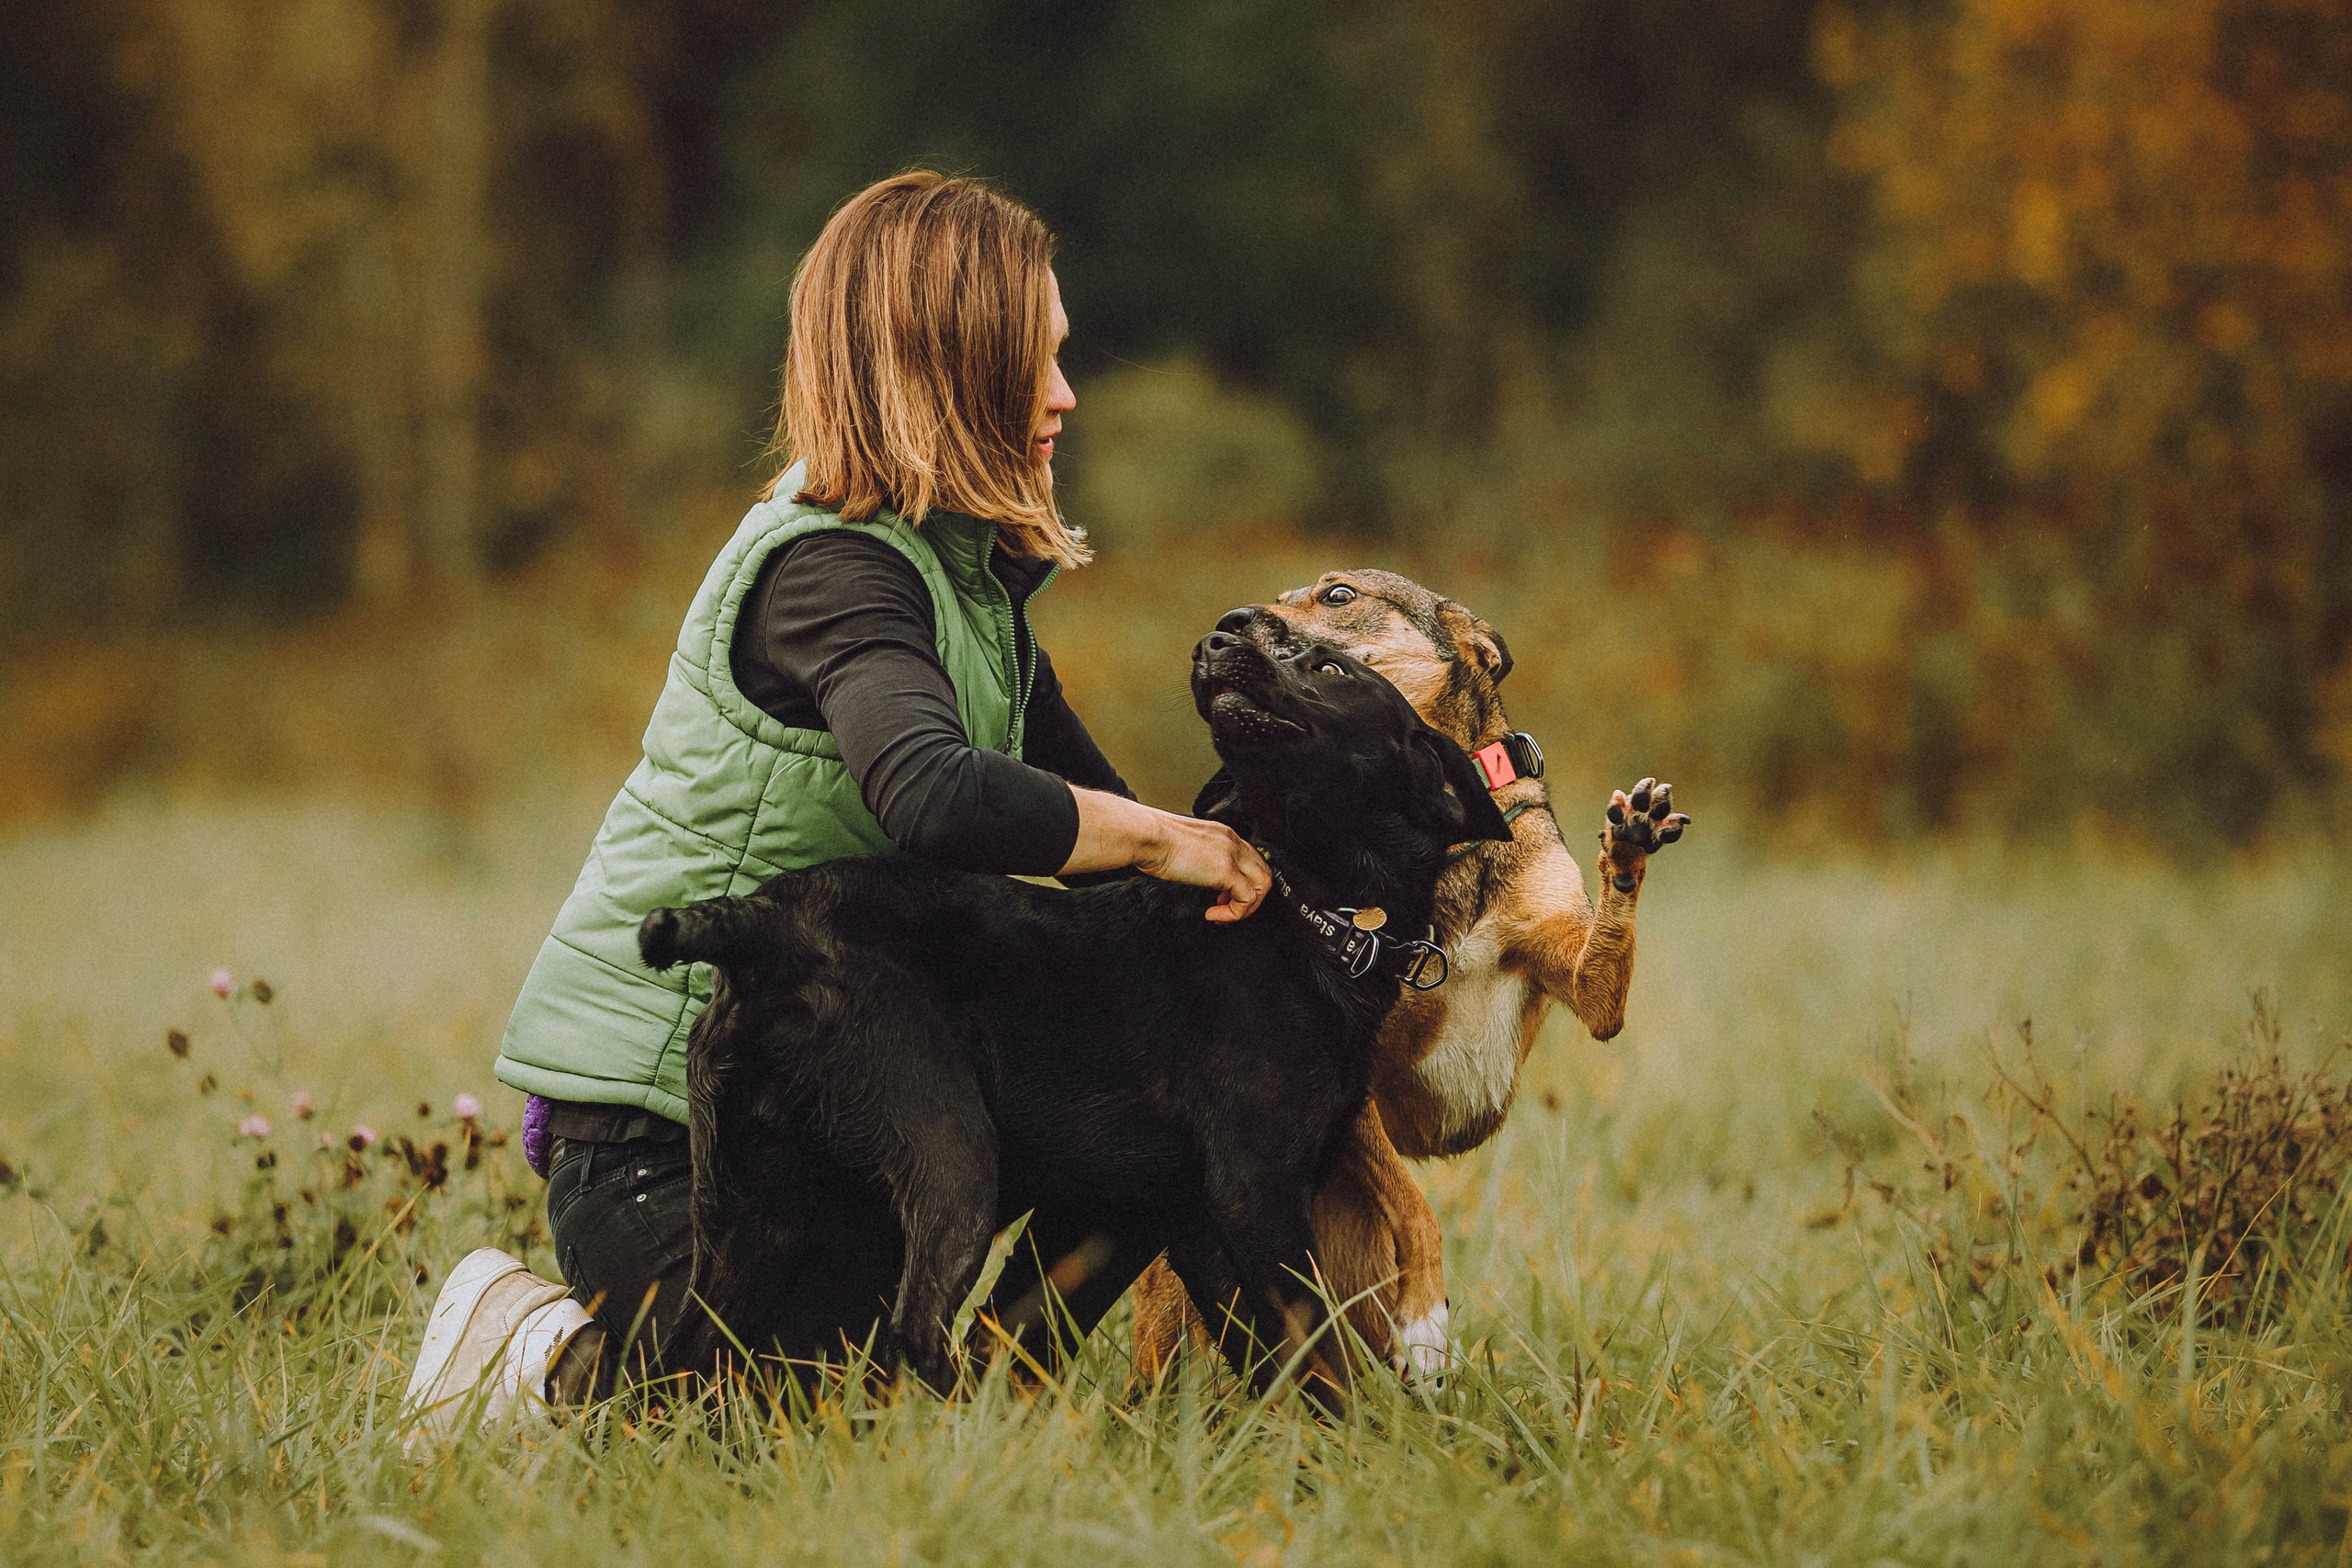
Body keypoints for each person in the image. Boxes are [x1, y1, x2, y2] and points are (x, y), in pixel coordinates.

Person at [403, 172, 1272, 1437]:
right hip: (667, 1128)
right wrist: (1166, 842)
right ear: (946, 368)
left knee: (1141, 1141)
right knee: (772, 1434)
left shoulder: (967, 584)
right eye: (1035, 364)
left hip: (834, 1101)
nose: (1066, 398)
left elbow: (1093, 824)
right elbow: (929, 792)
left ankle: (982, 1408)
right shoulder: (831, 567)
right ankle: (528, 1349)